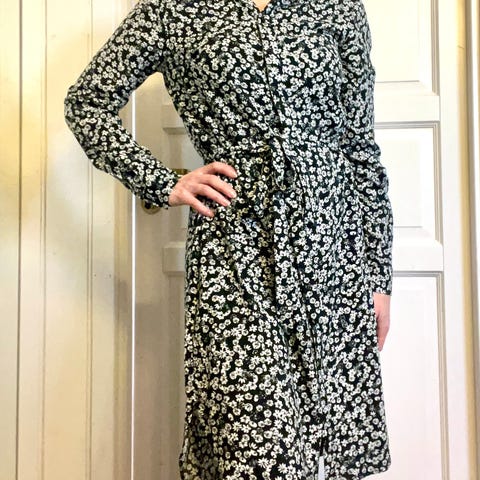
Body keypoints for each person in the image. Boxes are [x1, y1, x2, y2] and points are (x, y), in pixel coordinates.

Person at [64, 0, 394, 477]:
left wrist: (378, 277)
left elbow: (359, 148)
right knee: (255, 448)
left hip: (330, 253)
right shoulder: (170, 10)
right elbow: (86, 103)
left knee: (322, 443)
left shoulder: (338, 8)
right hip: (234, 255)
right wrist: (161, 182)